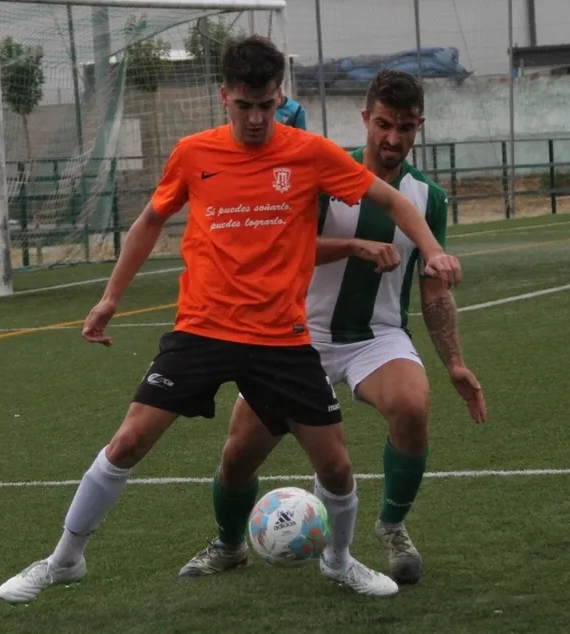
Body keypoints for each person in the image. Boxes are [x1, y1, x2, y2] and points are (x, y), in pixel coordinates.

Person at [0, 38, 462, 604]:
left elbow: (395, 202)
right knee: (129, 441)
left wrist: (432, 252)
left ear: (279, 97)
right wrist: (110, 298)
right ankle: (64, 559)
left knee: (337, 467)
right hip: (202, 328)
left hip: (281, 338)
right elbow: (149, 221)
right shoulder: (194, 153)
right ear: (224, 98)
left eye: (266, 106)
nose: (256, 119)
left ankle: (339, 561)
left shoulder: (310, 153)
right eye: (245, 106)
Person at [180, 70, 486, 587]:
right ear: (365, 119)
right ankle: (229, 545)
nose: (393, 138)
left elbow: (433, 289)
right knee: (238, 455)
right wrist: (353, 247)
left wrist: (454, 362)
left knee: (412, 405)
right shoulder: (320, 173)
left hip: (377, 336)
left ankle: (392, 527)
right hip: (297, 336)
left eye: (405, 127)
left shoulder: (427, 198)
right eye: (384, 124)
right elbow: (282, 246)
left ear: (419, 126)